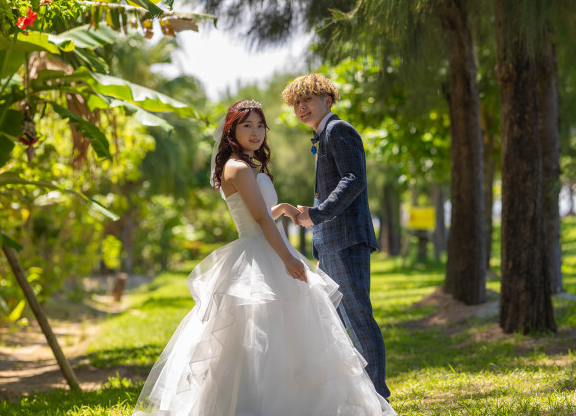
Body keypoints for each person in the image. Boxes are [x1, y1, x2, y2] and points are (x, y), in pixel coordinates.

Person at [132, 99, 394, 416]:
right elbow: (259, 221)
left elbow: (261, 213)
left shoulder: (246, 166)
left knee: (286, 334)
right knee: (262, 335)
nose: (256, 132)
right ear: (232, 130)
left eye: (260, 126)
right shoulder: (238, 168)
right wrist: (288, 258)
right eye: (247, 126)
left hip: (266, 246)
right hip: (260, 254)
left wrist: (283, 209)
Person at [283, 74, 391, 400]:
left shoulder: (338, 130)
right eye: (297, 103)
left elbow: (353, 179)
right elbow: (337, 187)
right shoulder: (323, 135)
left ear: (327, 101)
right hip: (331, 242)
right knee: (337, 318)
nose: (301, 107)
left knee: (357, 316)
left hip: (346, 241)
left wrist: (316, 214)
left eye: (308, 100)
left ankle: (376, 394)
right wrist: (313, 211)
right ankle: (358, 391)